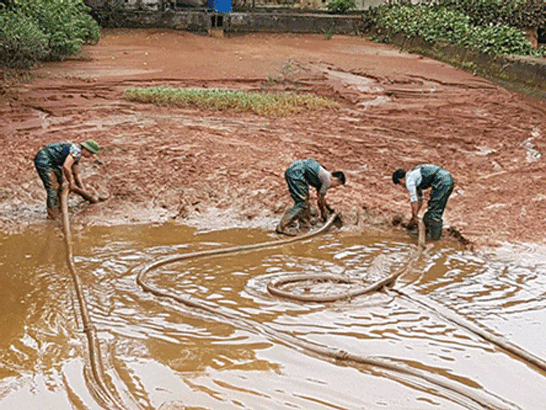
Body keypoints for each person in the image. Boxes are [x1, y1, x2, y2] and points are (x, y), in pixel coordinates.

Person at [276, 158, 345, 235]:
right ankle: (282, 227)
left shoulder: (323, 175)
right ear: (336, 179)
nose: (333, 187)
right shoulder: (327, 179)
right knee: (301, 203)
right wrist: (323, 213)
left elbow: (321, 198)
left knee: (304, 200)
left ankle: (304, 226)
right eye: (336, 185)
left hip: (293, 171)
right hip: (296, 174)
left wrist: (329, 208)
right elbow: (320, 200)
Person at [34, 140, 101, 219]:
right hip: (44, 160)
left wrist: (83, 190)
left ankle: (59, 208)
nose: (91, 156)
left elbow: (76, 174)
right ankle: (53, 215)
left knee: (60, 183)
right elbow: (66, 166)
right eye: (91, 153)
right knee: (53, 187)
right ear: (86, 149)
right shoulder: (76, 151)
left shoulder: (77, 154)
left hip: (54, 162)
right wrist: (71, 182)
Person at [392, 164, 454, 241]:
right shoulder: (414, 177)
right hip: (446, 180)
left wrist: (414, 217)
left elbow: (414, 201)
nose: (402, 186)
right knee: (434, 208)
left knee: (433, 214)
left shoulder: (409, 180)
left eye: (400, 184)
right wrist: (415, 215)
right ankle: (431, 233)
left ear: (401, 180)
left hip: (442, 181)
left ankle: (434, 239)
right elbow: (420, 199)